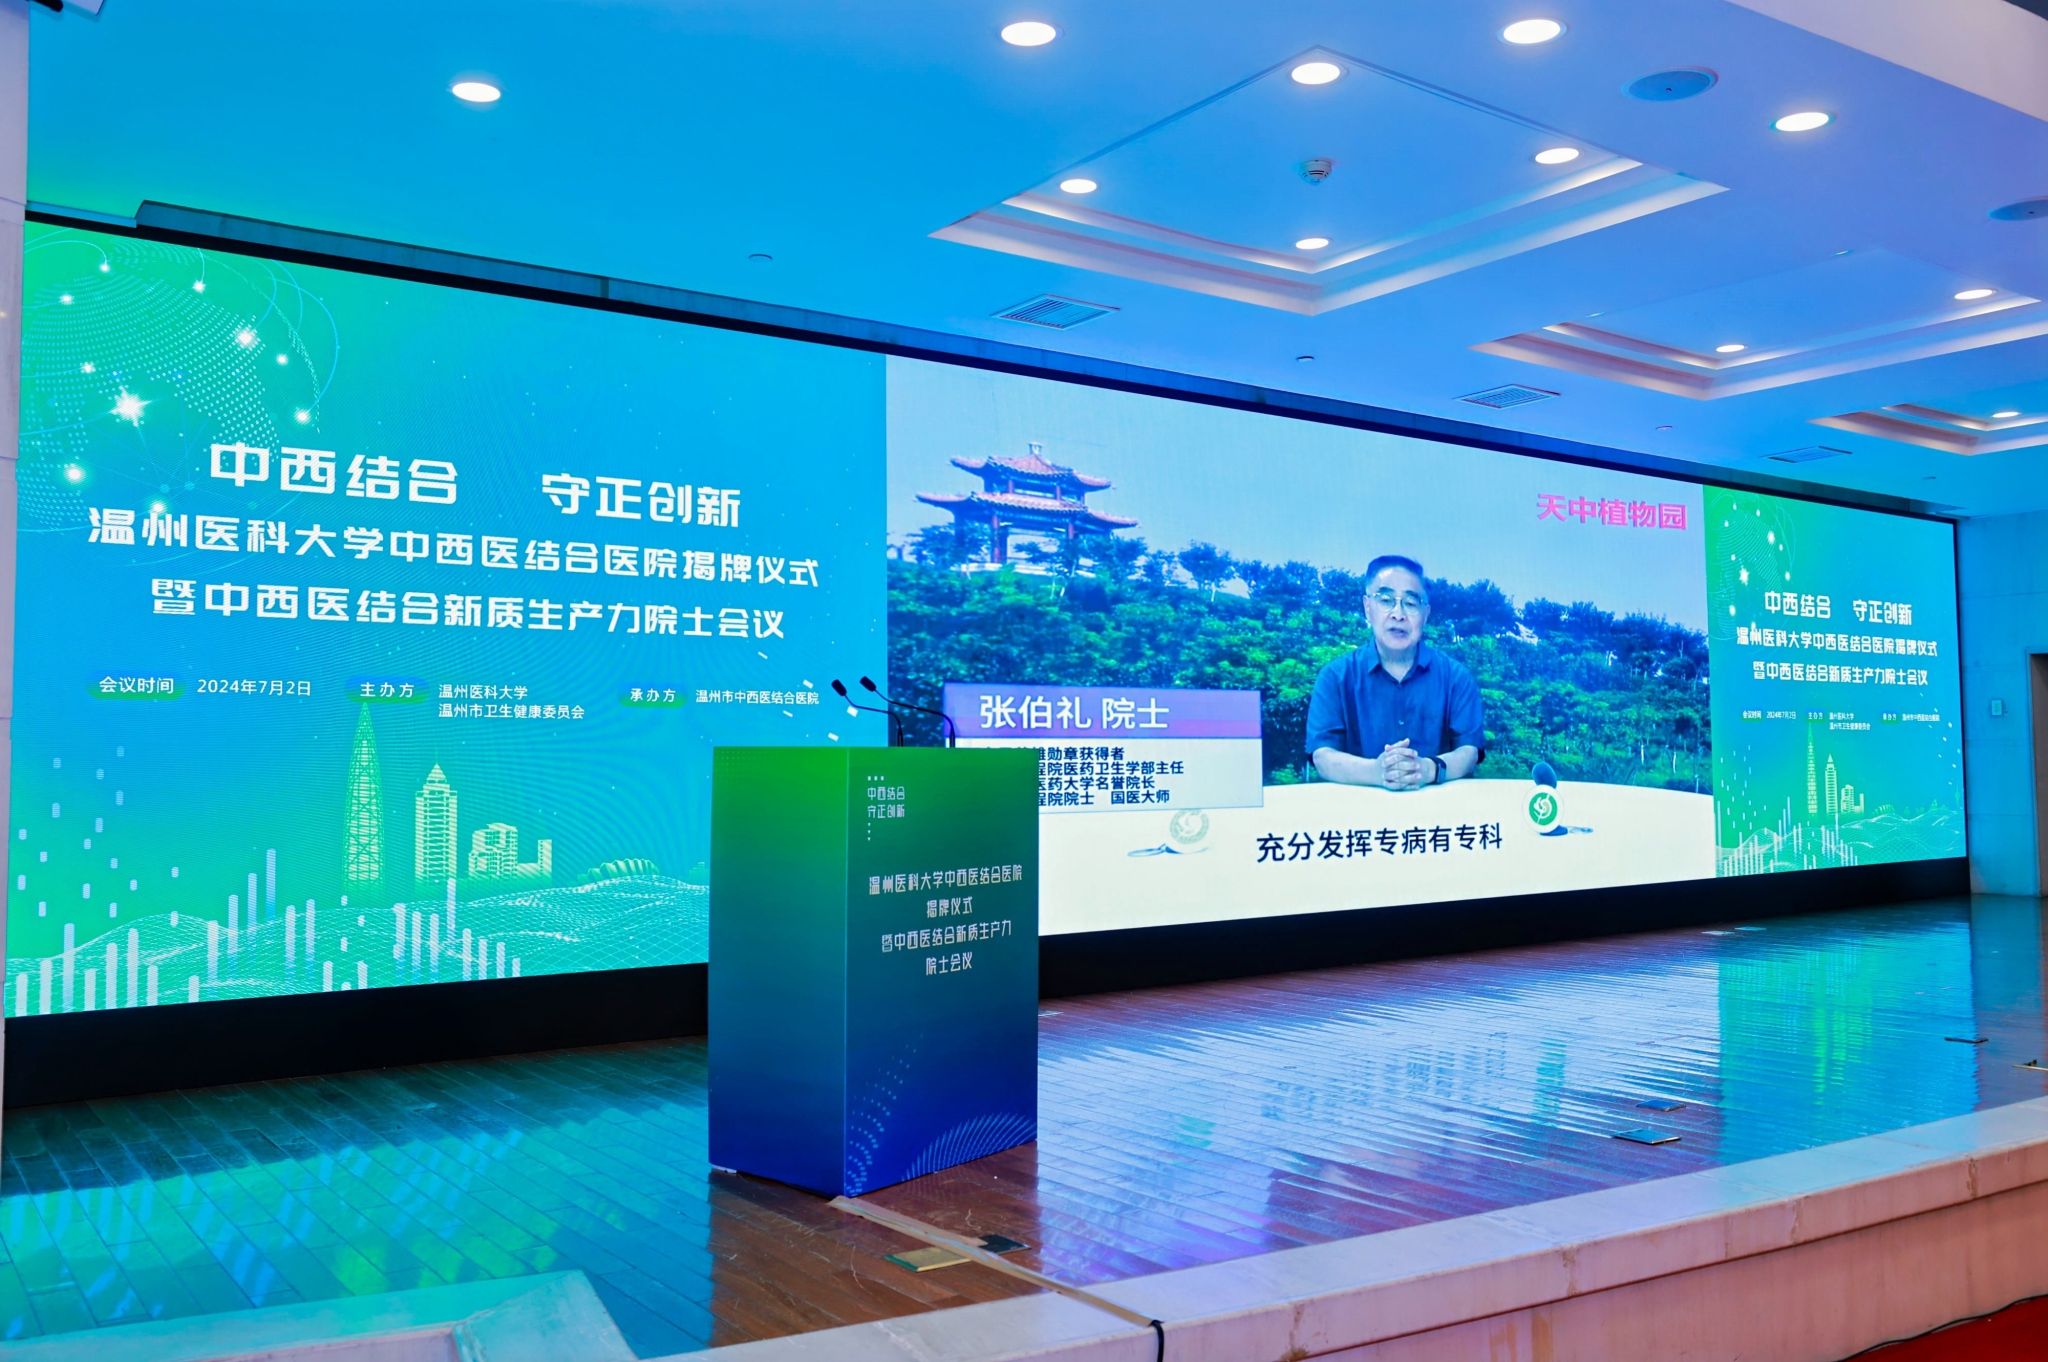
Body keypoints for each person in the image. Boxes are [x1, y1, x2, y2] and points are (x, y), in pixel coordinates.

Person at [1305, 554, 1485, 790]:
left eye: (1410, 603)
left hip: (1439, 812)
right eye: (1386, 600)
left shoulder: (1456, 677)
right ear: (1367, 607)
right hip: (1357, 812)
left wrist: (1427, 769)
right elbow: (1322, 756)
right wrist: (1377, 771)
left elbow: (1469, 752)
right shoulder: (1335, 677)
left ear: (1426, 614)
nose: (1398, 614)